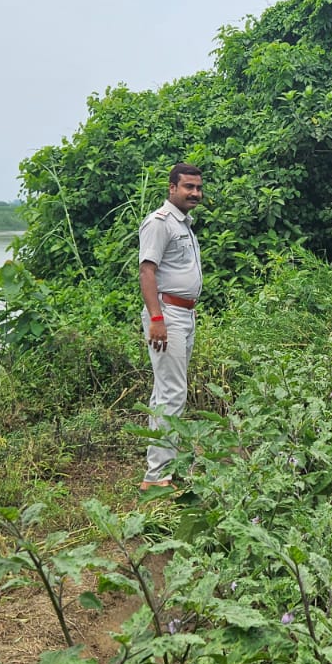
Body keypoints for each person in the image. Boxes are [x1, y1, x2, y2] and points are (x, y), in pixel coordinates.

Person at [137, 163, 204, 490]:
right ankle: (157, 476)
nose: (195, 193)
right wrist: (157, 319)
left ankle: (165, 468)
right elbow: (147, 272)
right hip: (168, 315)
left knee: (166, 392)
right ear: (172, 188)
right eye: (188, 187)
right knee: (173, 392)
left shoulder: (184, 224)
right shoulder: (160, 223)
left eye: (198, 187)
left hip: (184, 315)